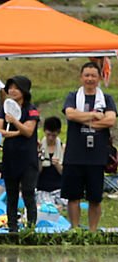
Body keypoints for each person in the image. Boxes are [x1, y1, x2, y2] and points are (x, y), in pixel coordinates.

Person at [61, 61, 117, 231]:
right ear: (81, 77)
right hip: (74, 155)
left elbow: (110, 120)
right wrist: (94, 116)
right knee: (73, 196)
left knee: (95, 198)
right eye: (87, 75)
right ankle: (75, 228)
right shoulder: (72, 96)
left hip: (97, 156)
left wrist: (85, 120)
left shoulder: (106, 99)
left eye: (93, 75)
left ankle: (93, 231)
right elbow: (70, 114)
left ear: (99, 78)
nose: (90, 79)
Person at [0, 75, 39, 233]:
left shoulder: (31, 109)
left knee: (28, 192)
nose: (12, 91)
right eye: (10, 88)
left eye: (16, 88)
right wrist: (14, 131)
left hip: (27, 158)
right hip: (10, 157)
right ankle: (12, 227)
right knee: (11, 193)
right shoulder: (4, 109)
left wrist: (14, 123)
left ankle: (31, 227)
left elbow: (28, 131)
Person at [37, 116, 64, 195]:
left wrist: (57, 165)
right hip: (43, 188)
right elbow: (37, 172)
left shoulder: (62, 148)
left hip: (59, 187)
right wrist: (40, 160)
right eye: (48, 134)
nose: (51, 138)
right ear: (44, 131)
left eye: (53, 135)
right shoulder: (39, 147)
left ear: (58, 133)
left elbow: (65, 173)